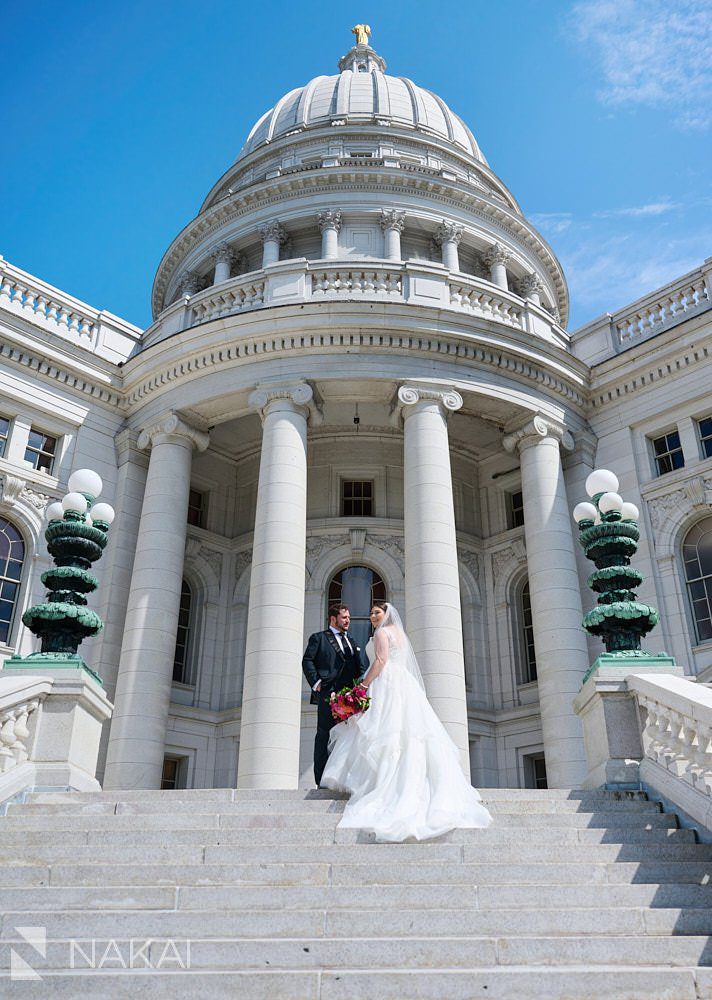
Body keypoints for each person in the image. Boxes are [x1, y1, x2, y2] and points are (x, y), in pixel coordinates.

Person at [320, 601, 492, 841]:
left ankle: (380, 785)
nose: (372, 616)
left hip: (385, 684)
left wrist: (362, 686)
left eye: (376, 612)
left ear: (386, 614)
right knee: (406, 734)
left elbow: (380, 661)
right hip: (404, 685)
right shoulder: (400, 634)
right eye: (370, 613)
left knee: (382, 733)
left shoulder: (381, 633)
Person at [302, 603, 368, 787]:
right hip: (328, 695)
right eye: (344, 617)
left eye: (349, 617)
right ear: (333, 618)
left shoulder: (352, 642)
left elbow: (359, 667)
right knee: (324, 735)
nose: (348, 621)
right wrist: (317, 683)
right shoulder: (319, 638)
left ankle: (343, 777)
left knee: (347, 736)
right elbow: (307, 661)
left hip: (349, 697)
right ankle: (321, 780)